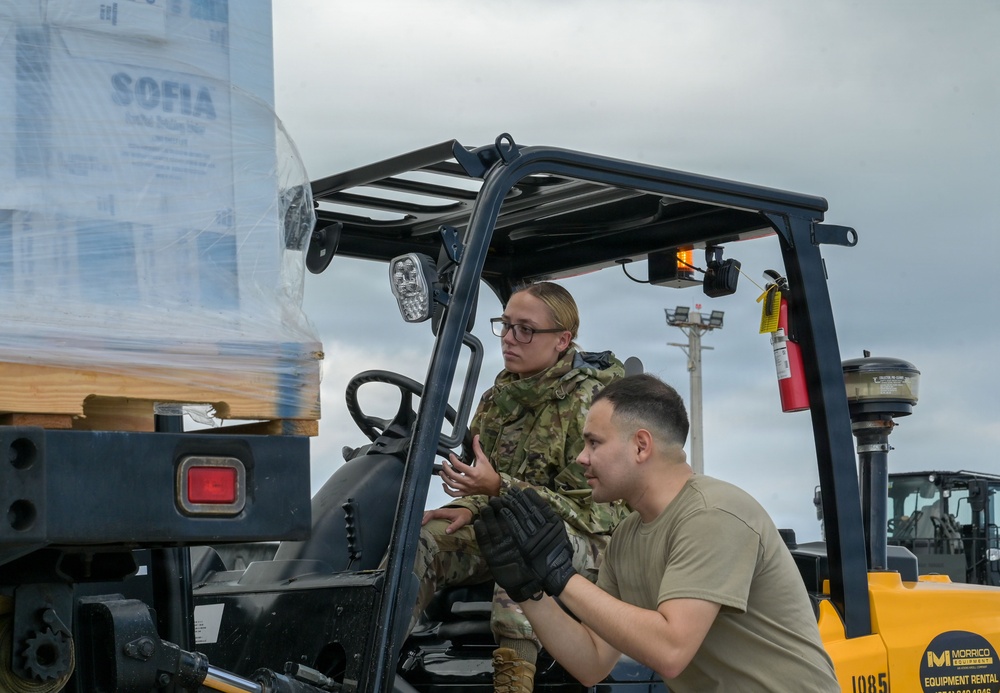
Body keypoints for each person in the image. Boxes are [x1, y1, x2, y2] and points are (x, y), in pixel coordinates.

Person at [474, 373, 841, 693]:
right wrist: (529, 593)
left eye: (594, 442)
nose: (580, 457)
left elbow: (670, 651)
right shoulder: (626, 537)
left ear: (641, 445)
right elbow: (591, 664)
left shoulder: (712, 515)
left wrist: (561, 576)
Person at [412, 281, 628, 693]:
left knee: (523, 541)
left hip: (594, 542)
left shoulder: (592, 403)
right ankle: (374, 659)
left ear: (562, 340)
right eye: (505, 325)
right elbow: (487, 484)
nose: (509, 338)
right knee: (423, 540)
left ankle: (513, 685)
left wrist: (500, 488)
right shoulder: (498, 398)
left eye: (525, 329)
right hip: (511, 524)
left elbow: (593, 510)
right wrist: (473, 506)